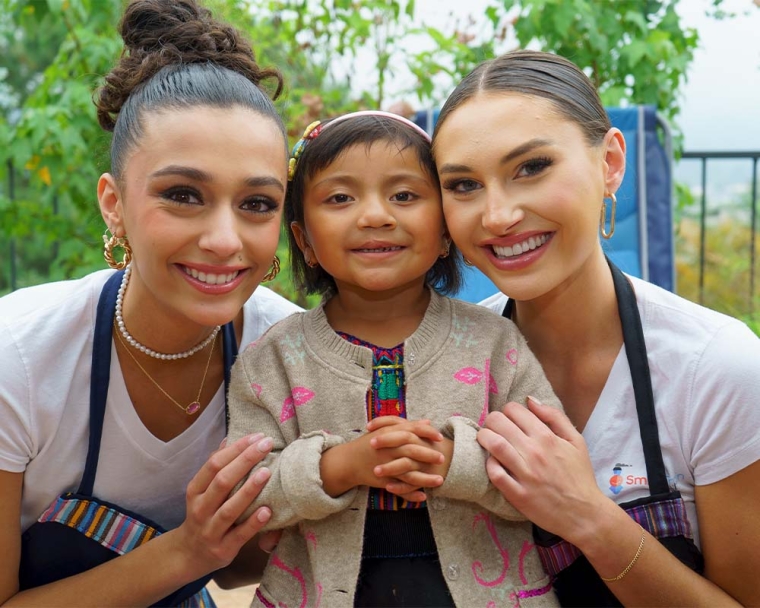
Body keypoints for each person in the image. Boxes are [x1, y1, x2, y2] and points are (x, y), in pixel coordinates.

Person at [431, 49, 760, 606]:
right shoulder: (442, 364)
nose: (498, 215)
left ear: (609, 162)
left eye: (531, 168)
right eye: (463, 185)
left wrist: (586, 516)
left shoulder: (715, 368)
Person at [0, 0, 301, 605]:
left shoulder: (294, 353)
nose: (224, 240)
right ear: (113, 203)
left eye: (258, 203)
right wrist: (188, 550)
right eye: (184, 194)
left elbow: (240, 570)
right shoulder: (21, 357)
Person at [227, 110, 562, 608]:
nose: (375, 216)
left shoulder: (497, 345)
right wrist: (334, 468)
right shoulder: (271, 360)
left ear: (446, 229)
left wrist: (453, 461)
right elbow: (243, 497)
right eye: (340, 198)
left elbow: (553, 479)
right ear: (303, 241)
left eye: (404, 196)